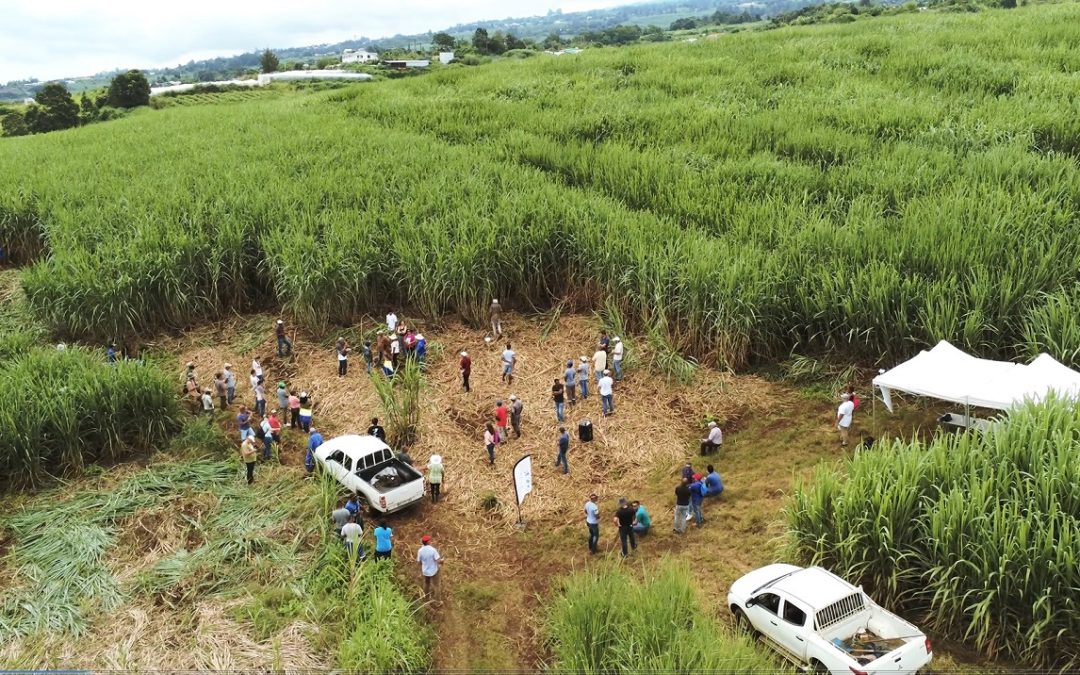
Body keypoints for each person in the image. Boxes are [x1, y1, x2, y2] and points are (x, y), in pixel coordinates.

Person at [417, 535, 443, 600]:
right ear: (428, 542)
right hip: (434, 571)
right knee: (437, 585)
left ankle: (426, 598)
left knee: (426, 584)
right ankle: (437, 601)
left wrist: (424, 565)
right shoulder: (433, 550)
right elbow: (438, 561)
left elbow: (419, 562)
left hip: (425, 571)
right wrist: (442, 561)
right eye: (430, 540)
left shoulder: (420, 551)